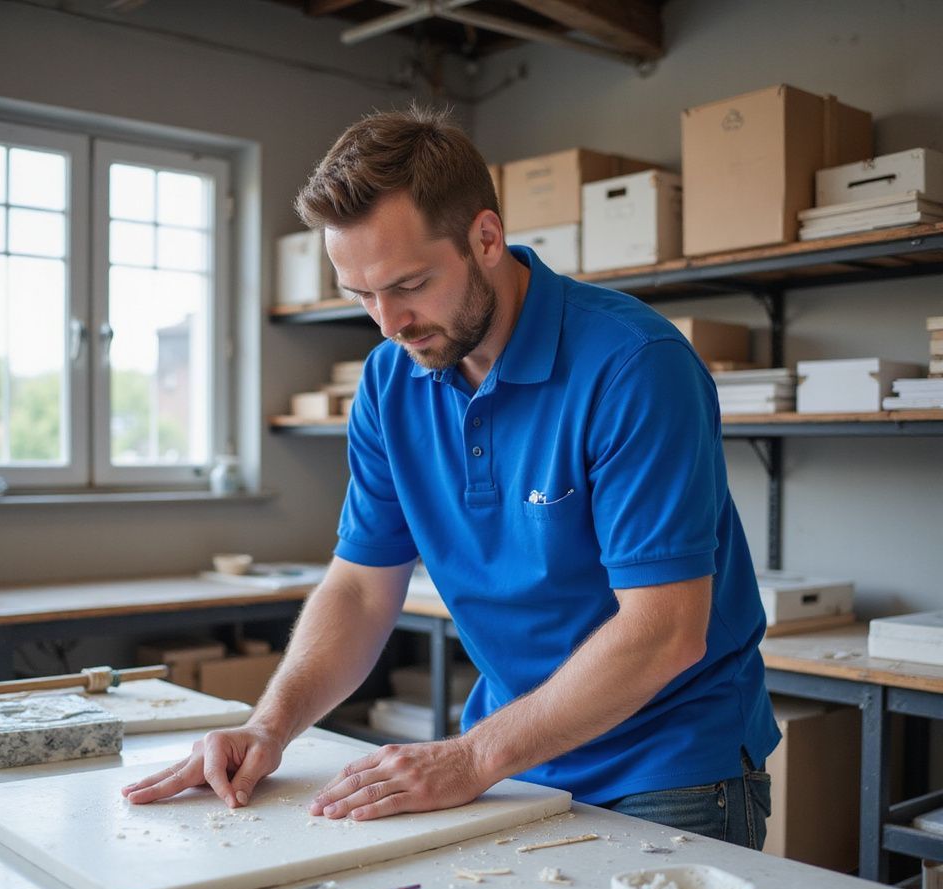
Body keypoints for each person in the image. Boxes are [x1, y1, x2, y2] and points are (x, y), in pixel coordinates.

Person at [124, 105, 780, 849]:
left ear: (486, 238)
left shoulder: (634, 366)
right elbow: (361, 587)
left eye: (409, 284)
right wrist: (268, 725)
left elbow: (664, 633)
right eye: (361, 295)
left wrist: (470, 758)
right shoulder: (389, 381)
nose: (388, 323)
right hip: (513, 758)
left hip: (668, 771)